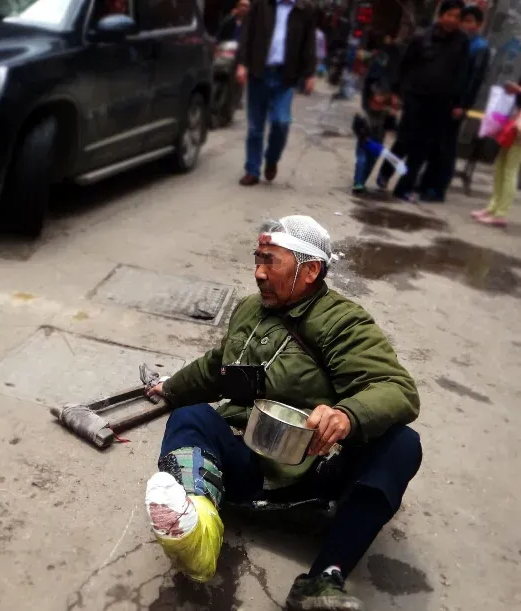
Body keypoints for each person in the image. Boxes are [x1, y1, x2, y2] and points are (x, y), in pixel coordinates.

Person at [144, 215, 422, 611]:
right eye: (257, 259)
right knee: (190, 417)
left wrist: (346, 415)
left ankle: (323, 580)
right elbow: (216, 368)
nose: (258, 272)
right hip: (243, 461)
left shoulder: (343, 322)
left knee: (402, 444)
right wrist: (171, 388)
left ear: (310, 271)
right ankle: (197, 529)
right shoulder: (249, 309)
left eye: (270, 261)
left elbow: (397, 388)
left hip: (312, 471)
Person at [377, 0, 470, 202]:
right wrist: (396, 93)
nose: (452, 20)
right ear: (441, 15)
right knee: (404, 140)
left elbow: (462, 74)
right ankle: (385, 173)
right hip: (415, 97)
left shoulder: (462, 42)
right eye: (450, 15)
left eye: (457, 17)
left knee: (423, 147)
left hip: (441, 102)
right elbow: (405, 66)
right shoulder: (422, 37)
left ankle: (404, 188)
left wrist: (458, 103)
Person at [235, 0, 317, 186]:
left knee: (281, 121)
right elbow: (247, 33)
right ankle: (252, 170)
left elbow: (309, 43)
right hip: (259, 71)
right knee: (255, 127)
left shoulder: (304, 9)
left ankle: (272, 158)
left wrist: (310, 73)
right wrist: (242, 63)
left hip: (285, 76)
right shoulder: (261, 4)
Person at [418, 4, 490, 202]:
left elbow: (474, 80)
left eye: (469, 21)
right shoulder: (459, 42)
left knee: (446, 147)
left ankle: (437, 187)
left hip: (457, 104)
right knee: (434, 143)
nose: (465, 25)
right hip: (444, 100)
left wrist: (463, 105)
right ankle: (426, 182)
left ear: (479, 24)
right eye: (463, 21)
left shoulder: (479, 47)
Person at [471, 81, 521, 227]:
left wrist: (518, 90)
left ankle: (500, 213)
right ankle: (492, 207)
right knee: (500, 167)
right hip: (515, 121)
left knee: (510, 170)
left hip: (519, 127)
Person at [352, 83, 393, 193]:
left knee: (370, 163)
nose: (378, 105)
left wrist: (392, 116)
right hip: (364, 141)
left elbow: (391, 127)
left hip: (377, 143)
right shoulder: (362, 113)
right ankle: (358, 183)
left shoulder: (386, 114)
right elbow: (356, 127)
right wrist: (363, 136)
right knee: (361, 161)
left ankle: (362, 181)